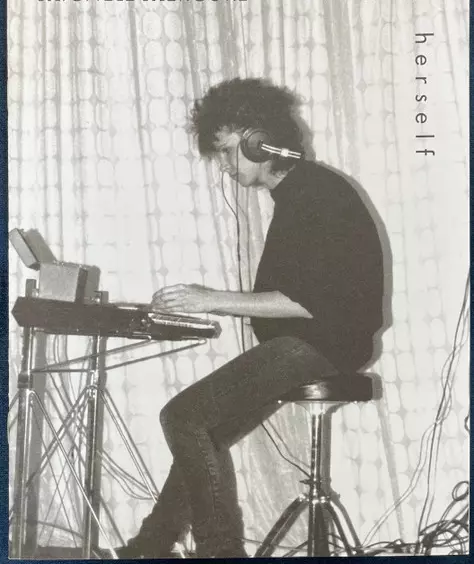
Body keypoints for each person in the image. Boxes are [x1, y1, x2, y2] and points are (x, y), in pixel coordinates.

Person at [116, 77, 386, 559]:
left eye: (226, 152)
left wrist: (210, 300)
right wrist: (210, 304)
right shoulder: (301, 192)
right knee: (206, 430)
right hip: (312, 344)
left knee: (182, 416)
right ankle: (149, 547)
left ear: (259, 141)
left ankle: (220, 552)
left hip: (324, 344)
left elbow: (309, 302)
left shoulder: (315, 195)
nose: (224, 166)